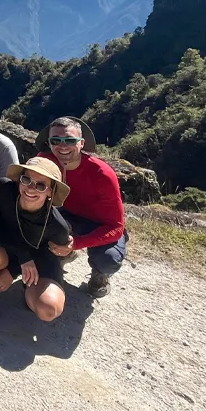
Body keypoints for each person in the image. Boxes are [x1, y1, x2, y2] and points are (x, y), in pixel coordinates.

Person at [0, 158, 73, 325]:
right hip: (4, 251)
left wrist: (12, 271)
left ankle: (30, 289)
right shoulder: (4, 190)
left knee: (48, 309)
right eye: (26, 179)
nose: (30, 188)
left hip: (36, 261)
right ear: (19, 179)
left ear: (50, 192)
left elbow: (50, 256)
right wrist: (21, 256)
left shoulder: (57, 226)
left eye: (40, 186)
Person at [37, 116, 127, 298]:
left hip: (99, 224)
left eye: (70, 140)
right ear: (49, 143)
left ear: (82, 143)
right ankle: (61, 256)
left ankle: (100, 275)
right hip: (64, 216)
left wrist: (77, 244)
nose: (62, 146)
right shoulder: (45, 162)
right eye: (56, 141)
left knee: (108, 259)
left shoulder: (102, 174)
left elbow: (116, 227)